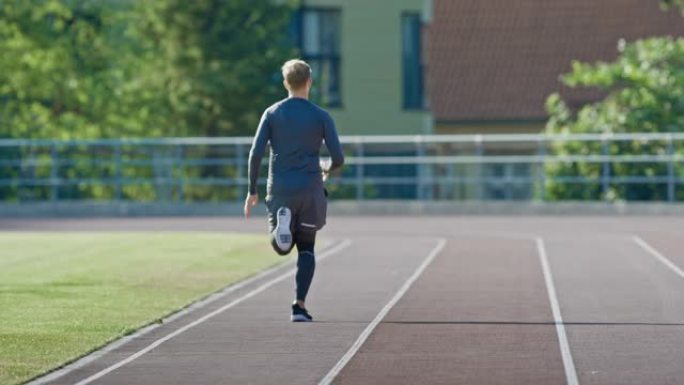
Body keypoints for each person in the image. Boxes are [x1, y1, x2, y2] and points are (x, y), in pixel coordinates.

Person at [244, 59, 344, 322]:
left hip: (280, 188)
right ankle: (299, 306)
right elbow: (339, 157)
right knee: (307, 249)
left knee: (281, 248)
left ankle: (281, 229)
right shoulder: (322, 116)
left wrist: (251, 190)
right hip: (310, 188)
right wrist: (327, 169)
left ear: (286, 83)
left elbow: (255, 154)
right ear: (309, 81)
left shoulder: (272, 113)